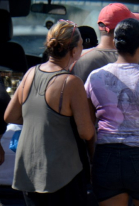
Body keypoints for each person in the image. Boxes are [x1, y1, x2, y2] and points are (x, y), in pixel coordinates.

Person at [4, 20, 96, 205]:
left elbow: (10, 116)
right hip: (62, 174)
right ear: (73, 50)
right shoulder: (71, 82)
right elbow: (86, 132)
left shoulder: (30, 73)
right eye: (80, 45)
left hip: (28, 171)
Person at [85, 18, 139, 206]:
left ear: (115, 44)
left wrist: (94, 160)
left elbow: (88, 126)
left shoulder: (95, 77)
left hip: (106, 156)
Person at [71, 3, 139, 117]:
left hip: (98, 133)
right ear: (125, 28)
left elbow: (69, 102)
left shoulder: (78, 60)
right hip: (136, 132)